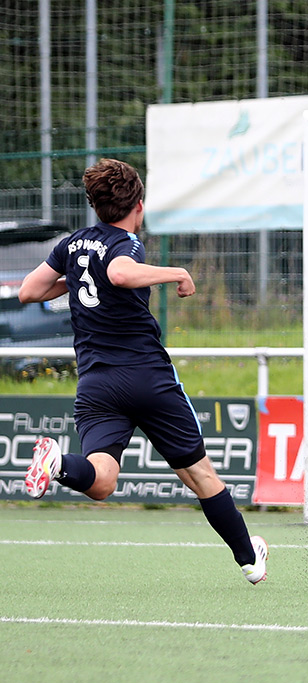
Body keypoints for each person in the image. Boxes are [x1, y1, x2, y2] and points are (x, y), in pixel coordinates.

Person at [18, 158, 269, 585]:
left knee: (101, 481)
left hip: (97, 384)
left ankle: (58, 464)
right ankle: (249, 560)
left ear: (95, 205)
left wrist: (77, 278)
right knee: (200, 474)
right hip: (146, 378)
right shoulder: (127, 243)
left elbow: (29, 290)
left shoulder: (72, 244)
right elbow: (119, 272)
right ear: (138, 205)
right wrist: (178, 273)